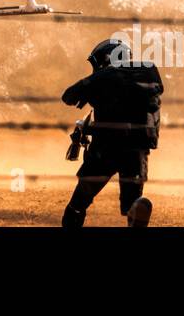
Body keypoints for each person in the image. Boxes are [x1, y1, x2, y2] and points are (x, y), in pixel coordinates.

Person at [60, 38, 163, 228]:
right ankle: (135, 213)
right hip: (138, 151)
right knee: (133, 206)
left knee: (78, 203)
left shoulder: (104, 76)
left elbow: (68, 96)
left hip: (106, 149)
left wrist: (91, 93)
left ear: (107, 59)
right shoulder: (149, 74)